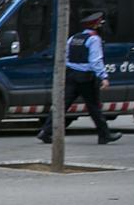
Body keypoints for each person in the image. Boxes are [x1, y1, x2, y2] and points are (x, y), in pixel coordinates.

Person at [36, 10, 121, 145]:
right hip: (86, 78)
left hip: (71, 76)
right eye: (101, 24)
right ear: (96, 25)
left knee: (62, 105)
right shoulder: (94, 39)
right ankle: (104, 135)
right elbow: (96, 61)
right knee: (94, 107)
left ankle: (45, 132)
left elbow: (66, 57)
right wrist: (103, 77)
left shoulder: (74, 38)